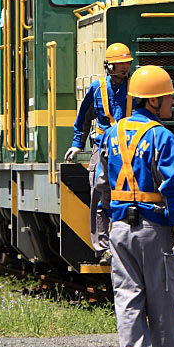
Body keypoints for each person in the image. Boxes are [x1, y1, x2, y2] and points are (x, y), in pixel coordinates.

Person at [95, 65, 174, 347]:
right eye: (168, 98)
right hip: (155, 227)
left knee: (127, 293)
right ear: (152, 102)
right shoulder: (162, 137)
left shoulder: (112, 134)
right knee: (162, 293)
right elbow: (173, 184)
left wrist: (106, 223)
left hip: (120, 228)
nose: (172, 103)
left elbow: (100, 184)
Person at [65, 43, 134, 259]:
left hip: (130, 150)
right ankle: (103, 247)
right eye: (119, 65)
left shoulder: (135, 87)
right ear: (109, 66)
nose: (124, 68)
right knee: (100, 192)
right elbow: (83, 118)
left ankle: (126, 244)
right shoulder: (97, 88)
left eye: (127, 64)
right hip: (103, 148)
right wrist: (78, 143)